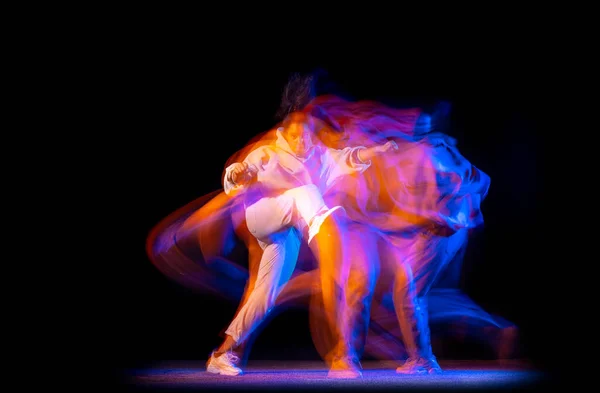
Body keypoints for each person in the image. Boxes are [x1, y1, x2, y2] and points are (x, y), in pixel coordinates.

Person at [205, 110, 398, 378]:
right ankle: (322, 228)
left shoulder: (320, 155)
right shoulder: (267, 154)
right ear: (285, 135)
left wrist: (377, 151)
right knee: (305, 193)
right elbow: (241, 173)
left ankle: (222, 353)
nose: (302, 143)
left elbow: (350, 157)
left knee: (266, 294)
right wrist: (237, 173)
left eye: (306, 138)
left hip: (286, 232)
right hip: (262, 215)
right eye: (296, 137)